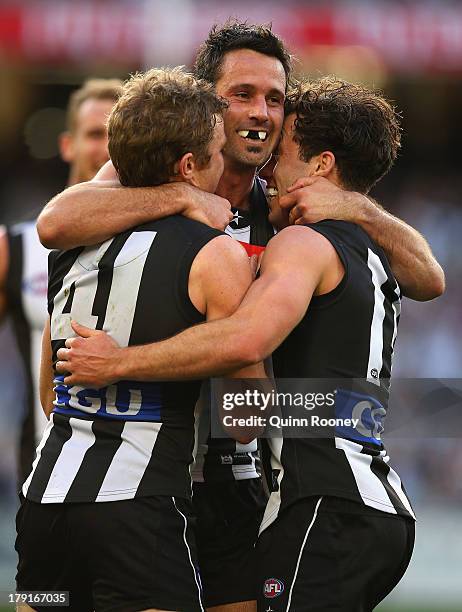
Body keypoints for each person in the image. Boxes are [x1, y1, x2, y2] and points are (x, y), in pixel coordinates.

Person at [34, 22, 443, 612]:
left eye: (275, 99)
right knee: (44, 601)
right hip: (133, 478)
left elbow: (428, 278)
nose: (262, 112)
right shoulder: (147, 181)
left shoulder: (287, 208)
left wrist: (358, 207)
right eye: (243, 94)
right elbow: (54, 222)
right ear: (207, 103)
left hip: (237, 483)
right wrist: (177, 198)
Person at [16, 67, 265, 612]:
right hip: (138, 507)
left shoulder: (70, 248)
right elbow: (248, 421)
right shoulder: (215, 254)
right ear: (188, 165)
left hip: (45, 504)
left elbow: (50, 396)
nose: (223, 162)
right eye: (216, 151)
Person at [0, 78, 122, 483]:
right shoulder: (15, 248)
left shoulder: (170, 242)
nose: (106, 147)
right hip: (40, 469)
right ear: (68, 145)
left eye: (118, 134)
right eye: (94, 134)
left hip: (137, 478)